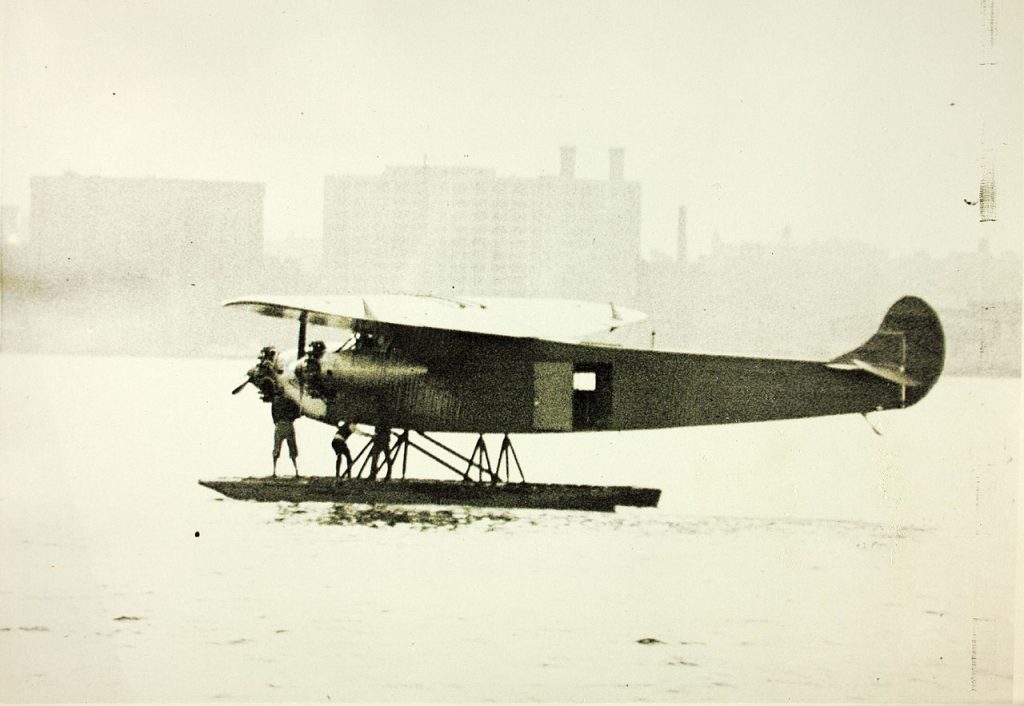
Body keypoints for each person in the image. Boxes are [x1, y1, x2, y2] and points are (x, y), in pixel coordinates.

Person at [271, 392, 301, 477]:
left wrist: (276, 421)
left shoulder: (275, 401)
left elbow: (273, 413)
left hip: (279, 425)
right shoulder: (290, 400)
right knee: (292, 448)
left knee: (276, 448)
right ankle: (296, 472)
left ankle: (274, 471)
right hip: (288, 424)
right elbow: (297, 412)